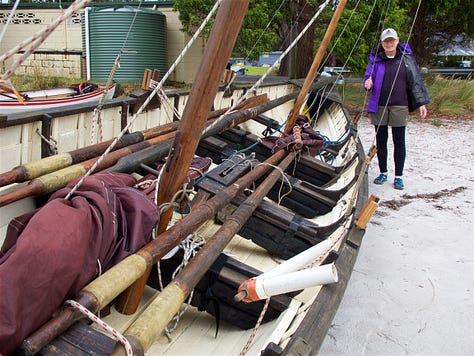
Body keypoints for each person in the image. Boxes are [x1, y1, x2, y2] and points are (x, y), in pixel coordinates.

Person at [364, 28, 430, 190]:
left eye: (391, 40)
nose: (389, 43)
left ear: (397, 40)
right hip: (379, 105)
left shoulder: (406, 58)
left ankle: (398, 176)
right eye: (386, 41)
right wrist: (367, 83)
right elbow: (368, 78)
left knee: (399, 141)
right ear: (382, 43)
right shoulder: (376, 59)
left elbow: (416, 81)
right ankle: (383, 172)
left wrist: (421, 103)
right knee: (381, 140)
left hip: (400, 105)